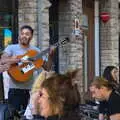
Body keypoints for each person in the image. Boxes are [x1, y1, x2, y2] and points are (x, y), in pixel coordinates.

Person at [1, 25, 55, 112]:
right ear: (19, 36)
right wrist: (20, 60)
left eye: (27, 34)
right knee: (13, 116)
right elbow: (3, 60)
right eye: (22, 33)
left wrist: (51, 56)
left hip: (32, 91)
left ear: (31, 36)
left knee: (31, 117)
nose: (24, 36)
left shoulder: (36, 51)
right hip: (15, 90)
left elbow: (47, 68)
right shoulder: (11, 48)